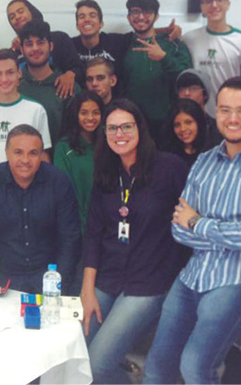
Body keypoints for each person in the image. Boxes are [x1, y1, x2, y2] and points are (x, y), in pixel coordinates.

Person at [144, 77, 241, 384]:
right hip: (195, 276)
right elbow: (178, 229)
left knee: (194, 365)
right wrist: (225, 233)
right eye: (225, 110)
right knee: (156, 368)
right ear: (216, 113)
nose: (233, 118)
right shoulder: (204, 161)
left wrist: (199, 223)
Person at [83, 100, 190, 384]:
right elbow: (93, 233)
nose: (119, 134)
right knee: (76, 355)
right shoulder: (106, 171)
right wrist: (87, 289)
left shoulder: (169, 167)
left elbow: (192, 220)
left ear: (140, 128)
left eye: (126, 127)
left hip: (149, 283)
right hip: (107, 278)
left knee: (97, 365)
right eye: (112, 128)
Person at [0, 124, 81, 293]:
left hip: (47, 277)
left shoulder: (58, 182)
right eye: (18, 152)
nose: (25, 160)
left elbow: (69, 238)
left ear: (41, 155)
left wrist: (59, 280)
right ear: (6, 153)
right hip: (0, 278)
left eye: (33, 153)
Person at [0, 49, 51, 182]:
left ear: (19, 73)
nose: (4, 79)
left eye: (10, 72)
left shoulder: (36, 110)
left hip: (25, 187)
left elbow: (42, 155)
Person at [123, 0, 192, 132]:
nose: (140, 17)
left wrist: (164, 58)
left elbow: (187, 79)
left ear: (156, 16)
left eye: (147, 12)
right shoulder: (123, 43)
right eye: (135, 12)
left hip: (169, 124)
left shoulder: (174, 43)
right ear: (128, 17)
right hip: (134, 123)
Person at [184, 0, 241, 104]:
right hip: (197, 111)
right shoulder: (189, 39)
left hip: (230, 110)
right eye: (208, 1)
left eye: (219, 0)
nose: (214, 5)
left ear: (228, 4)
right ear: (202, 7)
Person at [17, 19, 81, 144]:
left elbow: (77, 135)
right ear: (22, 50)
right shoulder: (15, 86)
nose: (35, 48)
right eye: (29, 44)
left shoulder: (69, 87)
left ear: (51, 46)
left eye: (40, 42)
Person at [6, 0, 82, 96]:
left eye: (20, 11)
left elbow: (79, 68)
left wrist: (70, 74)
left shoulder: (59, 39)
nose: (17, 17)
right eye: (12, 16)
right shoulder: (13, 53)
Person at [53, 90, 104, 232]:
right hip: (75, 223)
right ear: (75, 114)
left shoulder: (108, 144)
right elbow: (64, 190)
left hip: (104, 222)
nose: (90, 118)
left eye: (96, 113)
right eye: (84, 113)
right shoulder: (64, 147)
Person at [160, 98, 218, 166]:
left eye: (188, 122)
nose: (183, 129)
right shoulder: (168, 154)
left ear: (199, 122)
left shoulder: (213, 150)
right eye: (177, 125)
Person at [175, 68, 220, 139]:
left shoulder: (217, 129)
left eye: (193, 89)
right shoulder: (169, 128)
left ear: (205, 94)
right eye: (182, 89)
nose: (187, 93)